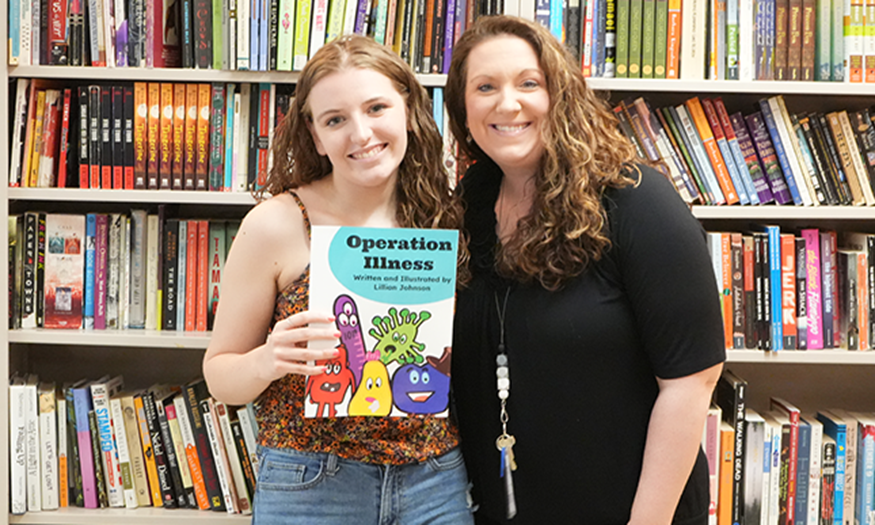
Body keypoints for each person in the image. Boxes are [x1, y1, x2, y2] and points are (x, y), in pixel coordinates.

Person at [444, 16, 725, 525]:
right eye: (485, 87)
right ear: (463, 112)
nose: (508, 103)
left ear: (562, 96)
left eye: (529, 83)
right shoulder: (466, 208)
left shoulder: (636, 201)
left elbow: (693, 381)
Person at [203, 35, 473, 525]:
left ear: (408, 109)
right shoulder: (277, 224)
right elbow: (220, 376)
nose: (361, 133)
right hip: (311, 483)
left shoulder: (444, 216)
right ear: (313, 134)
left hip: (435, 480)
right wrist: (268, 361)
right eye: (335, 119)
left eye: (376, 108)